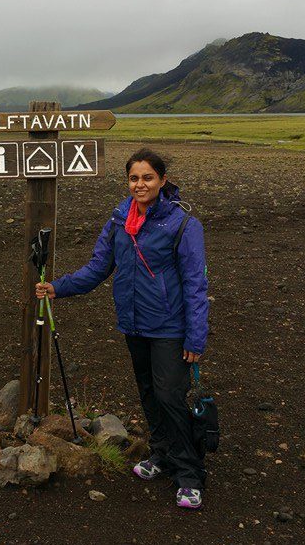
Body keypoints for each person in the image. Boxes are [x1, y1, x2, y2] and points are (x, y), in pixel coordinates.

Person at [35, 148, 209, 510]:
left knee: (170, 397)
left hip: (169, 326)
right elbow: (99, 267)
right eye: (134, 178)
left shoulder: (182, 224)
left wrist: (196, 336)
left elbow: (195, 284)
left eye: (147, 177)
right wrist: (59, 286)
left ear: (162, 181)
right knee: (148, 393)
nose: (140, 184)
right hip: (135, 323)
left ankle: (189, 474)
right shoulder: (119, 220)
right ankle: (161, 455)